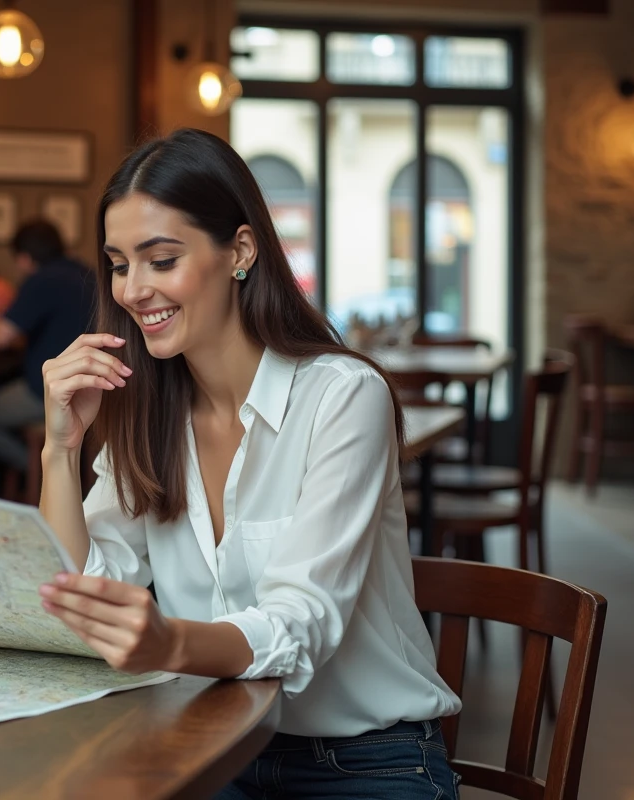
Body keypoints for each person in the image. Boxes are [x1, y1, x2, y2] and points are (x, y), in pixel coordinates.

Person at [35, 129, 462, 799]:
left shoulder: (342, 397)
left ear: (240, 250)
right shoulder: (147, 412)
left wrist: (169, 643)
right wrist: (59, 450)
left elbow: (301, 623)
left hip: (362, 760)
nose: (133, 290)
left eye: (161, 260)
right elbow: (77, 597)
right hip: (206, 742)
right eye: (118, 265)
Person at [0, 220, 95, 472]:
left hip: (48, 390)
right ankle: (52, 473)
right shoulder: (89, 274)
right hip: (92, 390)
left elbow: (0, 336)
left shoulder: (42, 279)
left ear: (24, 258)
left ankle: (41, 472)